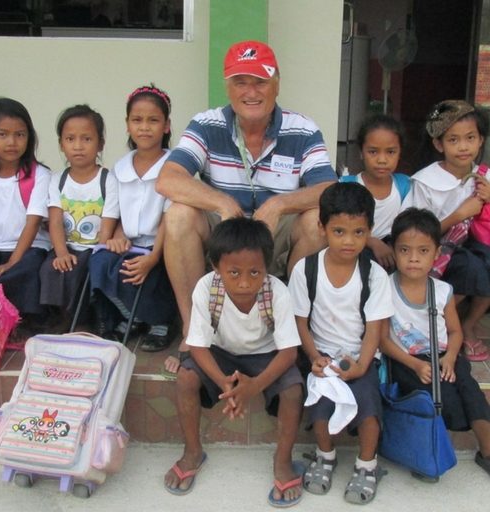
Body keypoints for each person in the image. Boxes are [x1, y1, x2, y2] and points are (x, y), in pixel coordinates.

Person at [156, 40, 336, 372]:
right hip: (224, 229)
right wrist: (222, 203)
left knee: (315, 221)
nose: (250, 91)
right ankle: (193, 330)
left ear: (277, 84)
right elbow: (168, 179)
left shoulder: (303, 129)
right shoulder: (206, 124)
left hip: (275, 235)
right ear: (228, 87)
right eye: (241, 81)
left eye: (260, 81)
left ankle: (292, 329)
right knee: (178, 214)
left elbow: (329, 188)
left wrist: (279, 205)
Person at [164, 217, 304, 507]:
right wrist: (224, 383)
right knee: (186, 378)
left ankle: (283, 459)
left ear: (267, 267)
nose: (244, 282)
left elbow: (289, 352)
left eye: (255, 272)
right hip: (220, 353)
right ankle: (192, 452)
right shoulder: (206, 287)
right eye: (234, 272)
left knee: (293, 390)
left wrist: (253, 387)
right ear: (216, 267)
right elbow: (198, 346)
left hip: (266, 355)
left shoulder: (276, 291)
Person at [290, 182, 393, 505]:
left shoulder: (374, 274)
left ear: (370, 230)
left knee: (369, 416)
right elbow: (300, 322)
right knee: (320, 415)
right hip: (320, 356)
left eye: (359, 232)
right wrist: (314, 357)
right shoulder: (305, 270)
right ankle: (325, 457)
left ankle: (367, 465)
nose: (349, 241)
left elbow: (375, 327)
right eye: (339, 231)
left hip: (361, 357)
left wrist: (362, 365)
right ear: (321, 228)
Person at [380, 207, 490, 478]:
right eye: (405, 250)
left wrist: (452, 356)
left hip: (443, 355)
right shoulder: (384, 288)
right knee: (431, 400)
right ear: (394, 251)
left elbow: (454, 331)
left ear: (437, 254)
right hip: (406, 361)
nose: (413, 259)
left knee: (471, 391)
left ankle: (487, 451)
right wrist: (414, 365)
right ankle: (425, 454)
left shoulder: (442, 291)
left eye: (423, 251)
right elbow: (382, 340)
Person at [88, 85, 177, 350]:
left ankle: (161, 323)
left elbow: (168, 218)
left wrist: (153, 257)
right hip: (128, 241)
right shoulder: (120, 167)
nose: (144, 127)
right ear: (127, 125)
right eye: (137, 120)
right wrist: (112, 239)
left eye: (153, 120)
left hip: (160, 244)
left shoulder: (174, 167)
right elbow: (112, 212)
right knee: (100, 262)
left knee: (151, 271)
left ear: (167, 125)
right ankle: (133, 316)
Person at [403, 100, 490, 362]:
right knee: (472, 268)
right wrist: (459, 215)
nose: (463, 147)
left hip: (473, 245)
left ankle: (469, 323)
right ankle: (445, 321)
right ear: (439, 144)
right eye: (453, 140)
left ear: (480, 141)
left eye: (470, 138)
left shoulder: (484, 176)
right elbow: (414, 232)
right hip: (435, 250)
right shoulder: (426, 182)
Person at [38, 104, 118, 332]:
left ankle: (87, 319)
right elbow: (54, 220)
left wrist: (97, 250)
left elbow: (108, 222)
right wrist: (61, 252)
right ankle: (60, 317)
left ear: (100, 143)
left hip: (95, 247)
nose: (78, 146)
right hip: (67, 245)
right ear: (61, 145)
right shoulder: (58, 180)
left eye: (86, 139)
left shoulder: (107, 179)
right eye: (70, 139)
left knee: (82, 270)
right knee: (49, 269)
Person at [0, 97, 51, 339]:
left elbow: (33, 223)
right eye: (3, 134)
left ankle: (22, 320)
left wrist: (12, 262)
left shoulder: (39, 175)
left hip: (28, 248)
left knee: (26, 269)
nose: (12, 142)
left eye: (20, 134)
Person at [340, 114, 411, 270]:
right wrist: (372, 242)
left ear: (400, 153)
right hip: (355, 249)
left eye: (390, 152)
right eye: (373, 152)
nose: (382, 160)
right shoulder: (347, 185)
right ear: (361, 152)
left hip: (394, 250)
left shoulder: (405, 185)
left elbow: (409, 226)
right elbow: (338, 227)